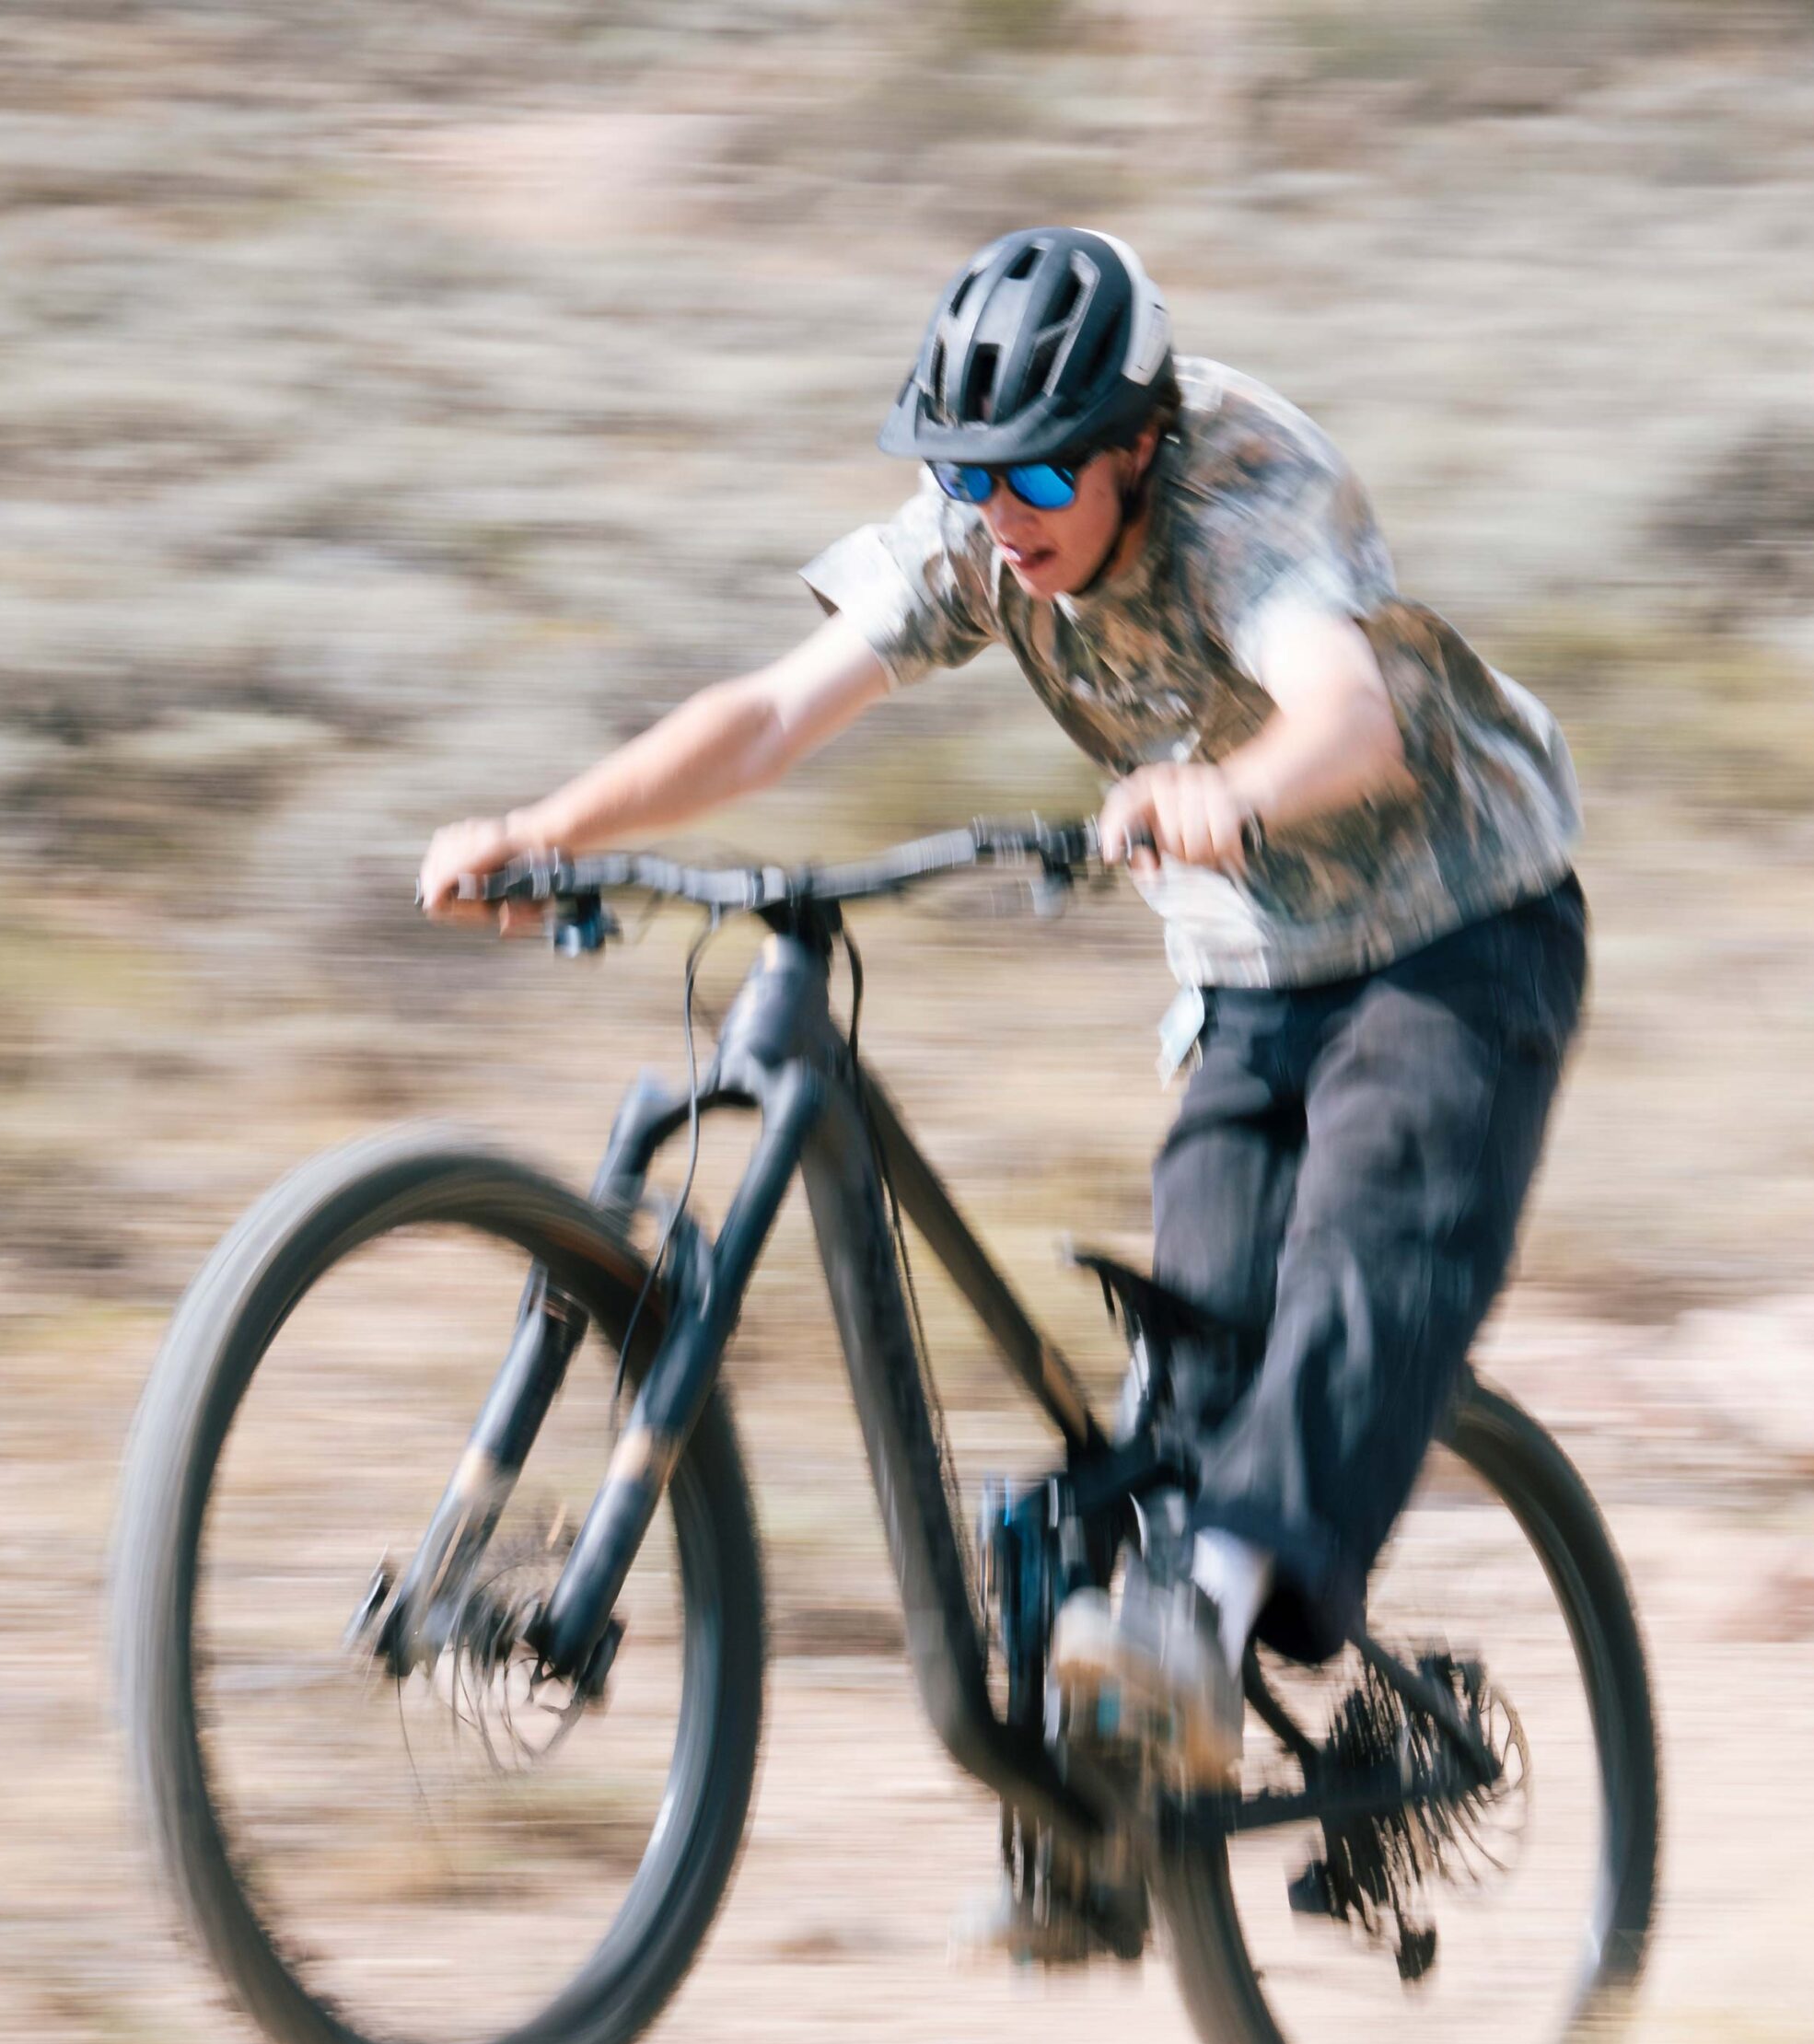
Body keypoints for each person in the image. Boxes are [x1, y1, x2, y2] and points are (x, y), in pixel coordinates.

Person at [420, 226, 1587, 1789]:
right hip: (1256, 962)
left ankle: (1213, 1613)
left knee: (1369, 1247)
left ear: (1137, 443)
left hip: (1460, 929)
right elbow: (773, 709)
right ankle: (1101, 1811)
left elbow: (1352, 720)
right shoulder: (986, 519)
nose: (999, 518)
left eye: (1038, 483)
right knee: (1194, 1343)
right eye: (970, 482)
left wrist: (1228, 793)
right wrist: (552, 828)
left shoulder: (1245, 495)